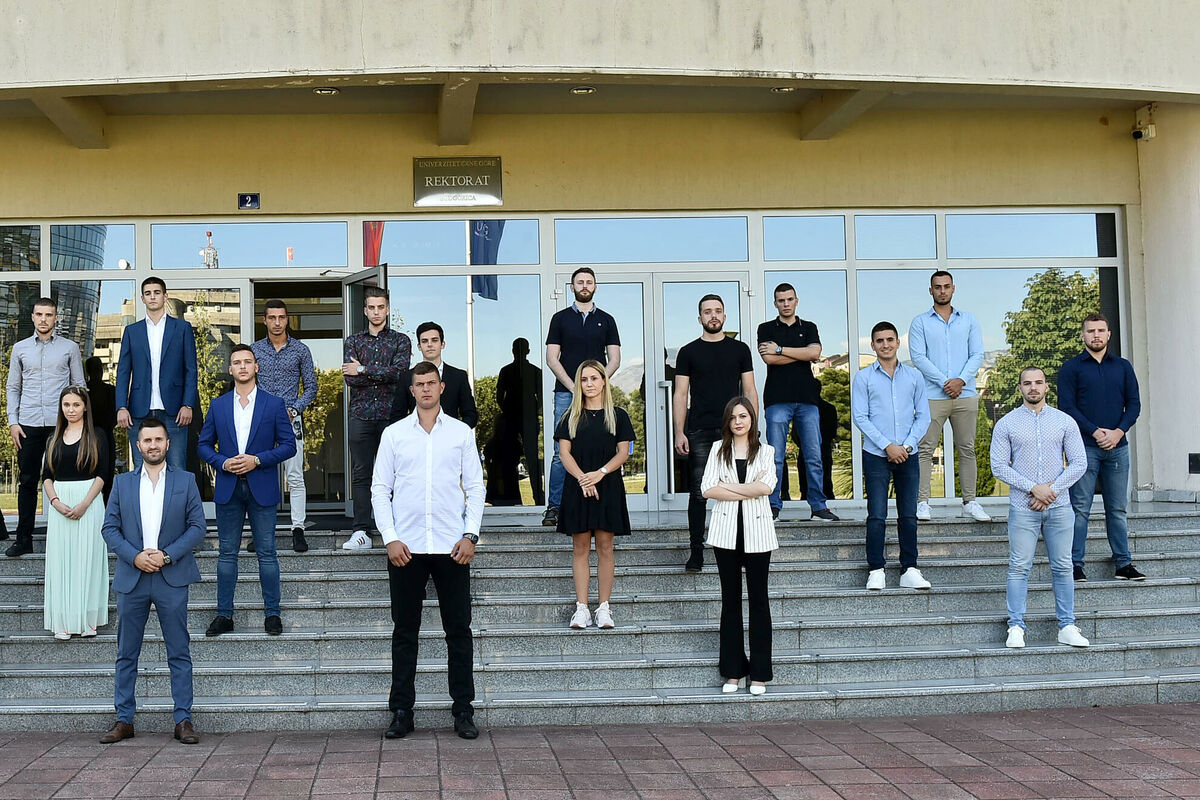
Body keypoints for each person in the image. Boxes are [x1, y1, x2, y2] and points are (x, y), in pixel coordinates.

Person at [372, 361, 484, 741]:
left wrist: (470, 535)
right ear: (412, 390)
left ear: (441, 386)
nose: (425, 389)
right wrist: (390, 538)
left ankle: (463, 711)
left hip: (453, 547)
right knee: (405, 632)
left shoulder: (461, 434)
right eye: (418, 384)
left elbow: (476, 487)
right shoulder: (393, 435)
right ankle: (402, 712)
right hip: (406, 548)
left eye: (430, 383)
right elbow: (379, 489)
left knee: (459, 632)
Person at [99, 418, 206, 745]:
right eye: (147, 440)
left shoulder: (186, 481)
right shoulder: (122, 484)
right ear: (138, 445)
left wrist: (167, 556)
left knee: (179, 651)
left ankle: (183, 719)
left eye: (158, 439)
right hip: (133, 578)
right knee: (126, 653)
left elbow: (197, 527)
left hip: (171, 577)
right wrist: (135, 557)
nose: (153, 445)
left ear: (168, 443)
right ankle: (124, 719)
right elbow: (109, 528)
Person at [197, 345, 296, 638]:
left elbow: (288, 446)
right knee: (227, 554)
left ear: (256, 367)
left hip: (261, 485)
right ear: (230, 369)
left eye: (247, 362)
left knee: (267, 553)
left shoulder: (274, 404)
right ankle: (224, 615)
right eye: (237, 362)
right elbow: (203, 445)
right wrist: (222, 462)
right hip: (228, 488)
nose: (242, 366)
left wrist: (258, 460)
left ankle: (272, 614)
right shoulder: (218, 405)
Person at [990, 367, 1090, 649]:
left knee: (1063, 566)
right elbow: (999, 466)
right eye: (1027, 383)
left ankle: (1067, 626)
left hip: (1060, 507)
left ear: (1047, 387)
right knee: (1019, 567)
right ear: (1020, 388)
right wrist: (1034, 488)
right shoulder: (1006, 424)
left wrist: (1051, 491)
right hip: (1023, 508)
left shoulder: (1065, 421)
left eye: (1038, 383)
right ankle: (1016, 626)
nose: (1032, 387)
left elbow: (1079, 463)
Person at [1058, 313, 1145, 582]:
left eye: (1100, 330)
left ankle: (1123, 564)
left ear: (1109, 334)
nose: (1096, 335)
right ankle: (1075, 565)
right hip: (1084, 448)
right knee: (1079, 509)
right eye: (1090, 331)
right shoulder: (1071, 368)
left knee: (1117, 509)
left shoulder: (1123, 367)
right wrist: (1096, 432)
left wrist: (1118, 432)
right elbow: (1067, 407)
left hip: (1118, 447)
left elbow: (1134, 404)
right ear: (1082, 335)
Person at [674, 294, 758, 572]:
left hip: (735, 429)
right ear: (700, 318)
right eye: (708, 311)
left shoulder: (740, 349)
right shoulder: (688, 352)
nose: (713, 315)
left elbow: (749, 390)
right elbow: (680, 394)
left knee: (739, 488)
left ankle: (740, 549)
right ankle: (696, 552)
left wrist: (753, 428)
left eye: (718, 311)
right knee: (700, 492)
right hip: (699, 429)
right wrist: (679, 432)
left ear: (724, 316)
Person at [701, 397, 777, 696]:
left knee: (759, 601)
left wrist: (727, 486)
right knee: (730, 602)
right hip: (725, 534)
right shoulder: (717, 450)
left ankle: (759, 674)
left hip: (758, 533)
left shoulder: (766, 451)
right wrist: (749, 489)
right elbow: (708, 489)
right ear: (727, 422)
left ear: (752, 419)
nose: (738, 422)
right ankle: (733, 672)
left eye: (743, 416)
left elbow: (767, 487)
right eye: (733, 417)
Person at [852, 322, 933, 591]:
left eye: (890, 339)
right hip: (876, 454)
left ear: (898, 342)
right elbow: (860, 417)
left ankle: (909, 569)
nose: (885, 344)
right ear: (873, 345)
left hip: (908, 455)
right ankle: (876, 569)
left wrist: (906, 447)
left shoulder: (914, 376)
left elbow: (923, 416)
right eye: (880, 340)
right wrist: (887, 446)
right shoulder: (863, 378)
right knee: (876, 514)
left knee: (908, 515)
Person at [555, 360, 634, 630]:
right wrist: (583, 478)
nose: (589, 384)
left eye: (594, 378)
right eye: (584, 379)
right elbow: (564, 453)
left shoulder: (619, 415)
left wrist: (600, 473)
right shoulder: (570, 416)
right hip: (578, 487)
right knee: (580, 548)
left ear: (603, 381)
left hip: (607, 486)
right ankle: (581, 609)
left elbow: (623, 453)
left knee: (605, 547)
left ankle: (603, 609)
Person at [908, 270, 990, 522]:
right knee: (925, 449)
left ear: (953, 288)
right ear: (930, 290)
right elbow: (918, 357)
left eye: (946, 286)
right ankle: (923, 502)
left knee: (967, 449)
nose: (942, 291)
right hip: (933, 395)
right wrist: (945, 382)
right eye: (937, 287)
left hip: (965, 394)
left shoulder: (969, 320)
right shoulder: (920, 322)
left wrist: (960, 380)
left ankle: (969, 502)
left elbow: (977, 354)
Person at [6, 297, 84, 557]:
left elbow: (79, 386)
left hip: (60, 425)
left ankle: (68, 539)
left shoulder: (70, 348)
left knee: (65, 479)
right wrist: (13, 421)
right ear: (32, 316)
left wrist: (77, 423)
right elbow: (13, 387)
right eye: (39, 314)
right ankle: (23, 539)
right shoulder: (19, 349)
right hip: (27, 425)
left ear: (56, 318)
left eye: (48, 315)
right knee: (27, 481)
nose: (43, 319)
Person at [543, 267, 621, 526]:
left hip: (599, 397)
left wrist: (596, 384)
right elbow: (552, 358)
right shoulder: (560, 319)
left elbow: (615, 359)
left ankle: (599, 499)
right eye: (580, 282)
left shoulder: (607, 320)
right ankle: (555, 507)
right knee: (560, 452)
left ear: (595, 286)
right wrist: (575, 387)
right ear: (572, 287)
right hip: (566, 395)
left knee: (601, 447)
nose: (584, 286)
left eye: (589, 282)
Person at [757, 283, 838, 522]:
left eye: (789, 299)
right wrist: (800, 354)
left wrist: (780, 349)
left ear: (796, 301)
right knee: (775, 457)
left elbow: (814, 354)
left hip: (807, 400)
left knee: (814, 456)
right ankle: (773, 506)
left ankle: (818, 507)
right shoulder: (765, 328)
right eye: (781, 300)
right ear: (775, 303)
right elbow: (770, 360)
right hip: (777, 400)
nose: (786, 304)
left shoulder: (809, 327)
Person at [342, 286, 411, 551]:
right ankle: (361, 531)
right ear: (365, 310)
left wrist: (362, 369)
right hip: (360, 415)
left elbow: (399, 374)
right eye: (371, 307)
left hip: (391, 415)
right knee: (362, 474)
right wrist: (376, 372)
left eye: (380, 307)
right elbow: (350, 379)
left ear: (388, 309)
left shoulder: (400, 340)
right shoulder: (353, 341)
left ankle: (395, 529)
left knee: (395, 473)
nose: (376, 312)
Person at [41, 386, 109, 639]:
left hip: (89, 502)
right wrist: (55, 502)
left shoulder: (97, 435)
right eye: (66, 405)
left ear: (85, 407)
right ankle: (63, 621)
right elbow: (47, 476)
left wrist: (85, 504)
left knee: (88, 560)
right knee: (62, 562)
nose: (71, 409)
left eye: (76, 404)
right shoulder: (53, 437)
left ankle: (87, 620)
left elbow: (103, 473)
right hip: (60, 504)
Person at [251, 299, 317, 552]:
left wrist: (294, 409)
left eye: (281, 317)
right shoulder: (255, 350)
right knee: (260, 475)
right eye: (272, 318)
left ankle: (298, 529)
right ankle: (260, 532)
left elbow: (311, 387)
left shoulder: (301, 350)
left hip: (291, 419)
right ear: (265, 320)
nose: (277, 322)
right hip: (261, 419)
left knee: (295, 476)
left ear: (287, 319)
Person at [116, 277, 198, 472]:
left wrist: (188, 404)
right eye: (148, 293)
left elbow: (191, 369)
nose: (152, 297)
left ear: (165, 296)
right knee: (141, 468)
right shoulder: (132, 331)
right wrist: (121, 406)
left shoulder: (182, 328)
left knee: (177, 467)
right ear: (143, 299)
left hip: (175, 410)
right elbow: (123, 372)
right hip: (138, 410)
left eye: (157, 292)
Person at [395, 321, 478, 427]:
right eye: (425, 341)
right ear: (419, 346)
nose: (429, 344)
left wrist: (455, 432)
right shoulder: (406, 378)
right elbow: (397, 416)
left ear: (442, 344)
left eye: (434, 340)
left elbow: (470, 415)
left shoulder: (458, 376)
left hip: (451, 436)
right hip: (416, 436)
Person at [495, 337, 544, 505]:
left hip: (515, 418)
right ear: (528, 351)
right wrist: (533, 410)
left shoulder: (507, 371)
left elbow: (499, 397)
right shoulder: (535, 371)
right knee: (530, 458)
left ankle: (513, 497)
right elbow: (541, 397)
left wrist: (508, 410)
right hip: (523, 418)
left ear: (513, 351)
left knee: (511, 458)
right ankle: (537, 497)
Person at [85, 356, 117, 504]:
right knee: (107, 474)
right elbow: (114, 416)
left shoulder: (84, 391)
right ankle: (107, 508)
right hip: (106, 435)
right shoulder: (111, 390)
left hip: (87, 436)